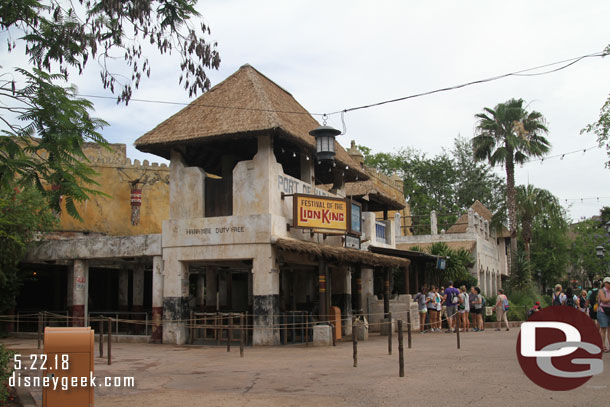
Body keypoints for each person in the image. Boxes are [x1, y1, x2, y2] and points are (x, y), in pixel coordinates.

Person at [598, 277, 610, 353]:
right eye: (608, 283)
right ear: (605, 283)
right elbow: (603, 300)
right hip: (603, 311)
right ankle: (602, 346)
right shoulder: (601, 291)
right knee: (603, 329)